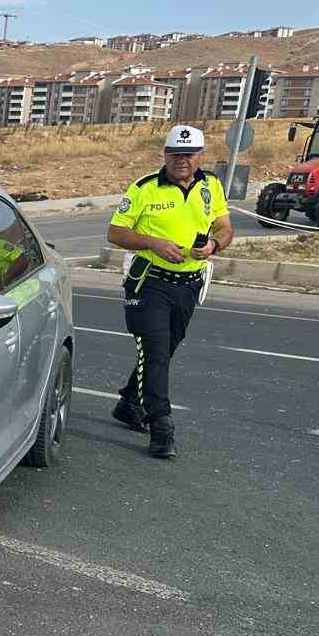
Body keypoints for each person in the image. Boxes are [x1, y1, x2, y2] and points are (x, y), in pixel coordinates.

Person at [106, 124, 234, 460]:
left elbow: (224, 226)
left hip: (189, 284)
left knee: (165, 349)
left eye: (189, 155)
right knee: (157, 349)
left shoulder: (212, 185)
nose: (182, 160)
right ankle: (161, 425)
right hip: (149, 282)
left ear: (200, 157)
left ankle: (130, 402)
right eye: (176, 154)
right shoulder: (144, 189)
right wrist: (154, 243)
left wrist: (215, 245)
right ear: (164, 154)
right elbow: (115, 233)